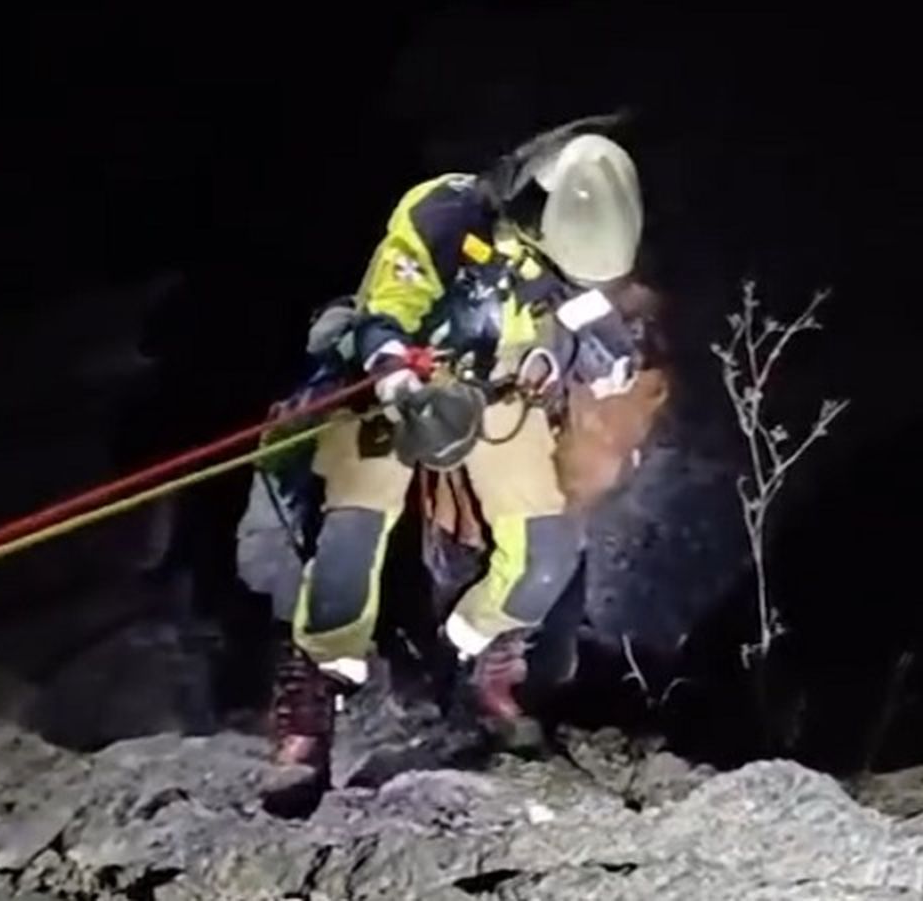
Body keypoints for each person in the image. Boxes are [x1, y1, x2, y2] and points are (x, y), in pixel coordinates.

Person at [256, 119, 658, 793]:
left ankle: (479, 659)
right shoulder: (443, 215)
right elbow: (387, 307)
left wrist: (613, 354)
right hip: (404, 383)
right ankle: (314, 696)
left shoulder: (561, 249)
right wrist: (396, 380)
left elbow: (584, 302)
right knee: (354, 529)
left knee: (542, 553)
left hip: (499, 388)